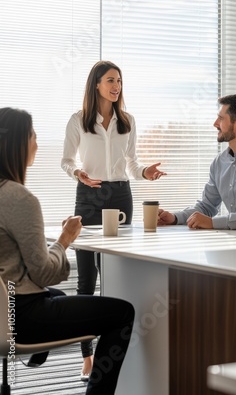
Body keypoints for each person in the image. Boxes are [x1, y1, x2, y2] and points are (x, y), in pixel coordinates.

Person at [0, 107, 135, 395]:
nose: (37, 142)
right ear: (18, 144)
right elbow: (46, 272)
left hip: (5, 307)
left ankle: (39, 356)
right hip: (19, 315)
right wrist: (64, 239)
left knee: (59, 297)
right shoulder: (19, 198)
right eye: (33, 135)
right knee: (123, 312)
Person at [61, 60, 166, 379]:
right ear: (96, 84)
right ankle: (87, 356)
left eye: (119, 80)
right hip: (89, 196)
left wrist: (145, 173)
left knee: (117, 270)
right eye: (110, 80)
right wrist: (78, 172)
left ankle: (117, 353)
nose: (116, 85)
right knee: (87, 278)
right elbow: (66, 160)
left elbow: (131, 164)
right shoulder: (79, 120)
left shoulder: (127, 120)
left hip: (121, 194)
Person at [158, 94, 236, 232]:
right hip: (234, 240)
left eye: (221, 118)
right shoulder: (219, 162)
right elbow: (206, 206)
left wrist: (212, 223)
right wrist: (174, 218)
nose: (215, 123)